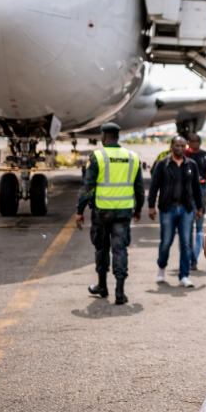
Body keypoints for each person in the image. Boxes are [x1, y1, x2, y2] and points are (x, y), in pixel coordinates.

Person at [75, 123, 144, 305]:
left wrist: (79, 211)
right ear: (118, 136)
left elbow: (87, 187)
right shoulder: (132, 157)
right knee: (120, 250)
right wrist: (138, 209)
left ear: (104, 136)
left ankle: (102, 286)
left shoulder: (98, 156)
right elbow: (139, 188)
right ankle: (120, 293)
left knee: (101, 248)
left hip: (101, 212)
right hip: (123, 212)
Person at [148, 136, 204, 287]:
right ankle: (161, 268)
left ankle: (184, 276)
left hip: (186, 210)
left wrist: (199, 208)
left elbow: (197, 189)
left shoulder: (191, 165)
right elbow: (154, 186)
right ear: (171, 146)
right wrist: (151, 206)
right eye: (177, 145)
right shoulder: (162, 164)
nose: (180, 148)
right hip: (167, 209)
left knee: (186, 243)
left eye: (182, 145)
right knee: (166, 242)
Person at [185, 133, 206, 271]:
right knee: (186, 229)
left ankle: (194, 259)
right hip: (186, 192)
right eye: (192, 141)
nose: (195, 144)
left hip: (201, 191)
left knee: (198, 228)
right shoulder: (184, 154)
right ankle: (190, 257)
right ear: (188, 142)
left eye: (197, 141)